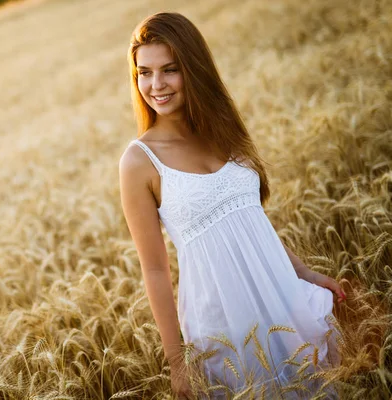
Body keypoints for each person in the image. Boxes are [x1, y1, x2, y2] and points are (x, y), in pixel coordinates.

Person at [118, 12, 346, 399]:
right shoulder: (140, 161)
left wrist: (305, 273)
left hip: (283, 298)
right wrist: (178, 362)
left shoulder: (222, 130)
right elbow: (155, 269)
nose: (155, 85)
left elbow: (249, 218)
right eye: (144, 72)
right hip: (226, 320)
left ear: (194, 67)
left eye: (169, 70)